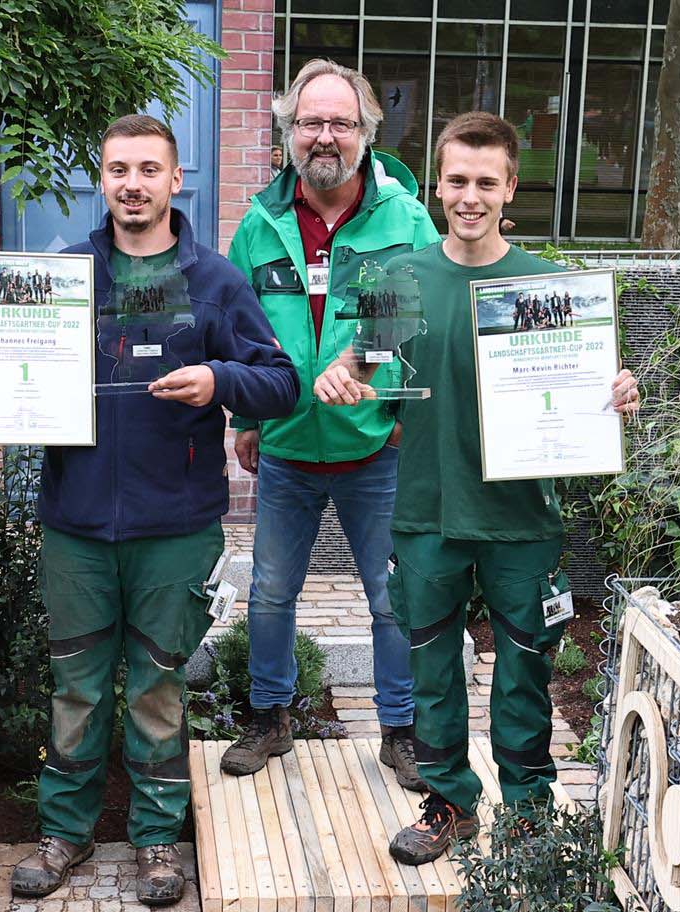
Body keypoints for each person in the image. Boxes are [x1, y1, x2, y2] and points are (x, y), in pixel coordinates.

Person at [0, 114, 299, 906]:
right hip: (74, 524)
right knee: (74, 686)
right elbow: (7, 377)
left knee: (157, 687)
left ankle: (154, 839)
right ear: (102, 181)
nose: (132, 184)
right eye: (117, 170)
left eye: (149, 169)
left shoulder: (215, 282)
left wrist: (219, 379)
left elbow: (281, 380)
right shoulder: (65, 275)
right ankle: (64, 831)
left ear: (178, 181)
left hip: (174, 528)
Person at [315, 112, 642, 866]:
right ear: (438, 183)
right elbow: (360, 369)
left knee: (525, 672)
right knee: (433, 671)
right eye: (456, 180)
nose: (469, 196)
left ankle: (527, 813)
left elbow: (591, 386)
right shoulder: (402, 280)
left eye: (485, 183)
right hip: (428, 512)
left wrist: (619, 386)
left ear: (509, 188)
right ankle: (449, 802)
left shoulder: (546, 286)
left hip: (522, 518)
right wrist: (340, 376)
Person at [222, 59, 441, 787]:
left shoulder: (403, 217)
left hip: (374, 447)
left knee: (390, 598)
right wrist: (246, 416)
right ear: (289, 131)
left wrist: (373, 379)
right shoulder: (259, 224)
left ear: (365, 133)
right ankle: (269, 717)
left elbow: (412, 315)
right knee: (271, 592)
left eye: (339, 123)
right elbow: (241, 328)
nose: (324, 136)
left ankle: (401, 728)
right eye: (310, 122)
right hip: (284, 447)